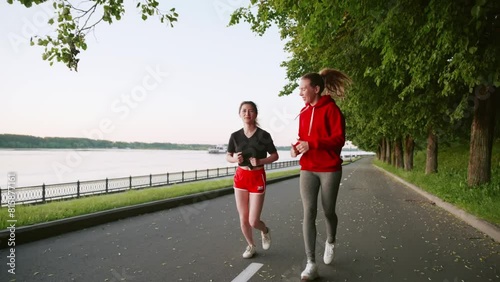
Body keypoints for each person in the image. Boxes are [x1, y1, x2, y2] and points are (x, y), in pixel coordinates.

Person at [290, 68, 351, 280]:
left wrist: (312, 144)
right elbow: (302, 137)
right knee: (309, 211)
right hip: (308, 168)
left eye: (303, 88)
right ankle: (311, 263)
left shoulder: (332, 110)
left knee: (328, 211)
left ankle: (331, 239)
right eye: (300, 89)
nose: (300, 93)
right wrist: (296, 148)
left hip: (329, 169)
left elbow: (339, 140)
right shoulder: (304, 113)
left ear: (316, 89)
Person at [226, 101, 279, 259]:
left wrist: (261, 162)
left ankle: (265, 231)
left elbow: (275, 155)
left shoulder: (264, 135)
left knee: (253, 220)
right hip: (241, 177)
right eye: (244, 111)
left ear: (255, 114)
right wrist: (234, 158)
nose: (247, 113)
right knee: (243, 218)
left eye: (250, 111)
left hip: (257, 177)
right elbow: (228, 156)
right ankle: (251, 245)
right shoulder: (235, 136)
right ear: (239, 114)